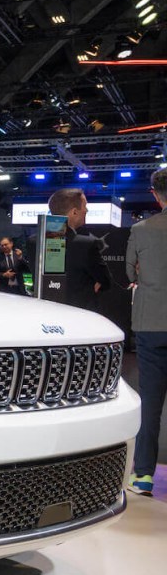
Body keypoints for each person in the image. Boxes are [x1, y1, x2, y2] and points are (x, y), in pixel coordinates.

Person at [127, 169, 167, 496]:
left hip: (150, 323)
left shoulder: (140, 230)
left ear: (155, 195)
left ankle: (143, 477)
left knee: (150, 401)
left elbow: (129, 272)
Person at [48, 188, 111, 311]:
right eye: (85, 205)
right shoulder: (86, 244)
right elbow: (105, 281)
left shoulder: (33, 242)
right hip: (80, 314)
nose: (86, 210)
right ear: (74, 212)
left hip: (48, 312)